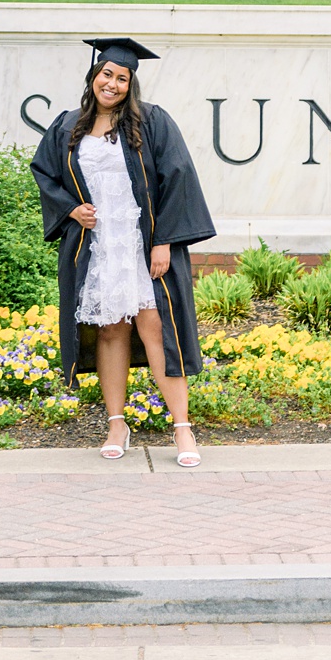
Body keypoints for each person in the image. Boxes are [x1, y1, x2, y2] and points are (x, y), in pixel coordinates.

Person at [30, 36, 215, 467]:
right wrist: (70, 208)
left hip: (141, 242)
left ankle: (183, 430)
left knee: (155, 329)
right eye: (106, 74)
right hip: (99, 245)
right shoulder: (67, 125)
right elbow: (44, 172)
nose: (111, 83)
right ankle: (117, 423)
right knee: (111, 329)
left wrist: (164, 240)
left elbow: (178, 176)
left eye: (121, 78)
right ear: (94, 76)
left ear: (131, 84)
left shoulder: (151, 122)